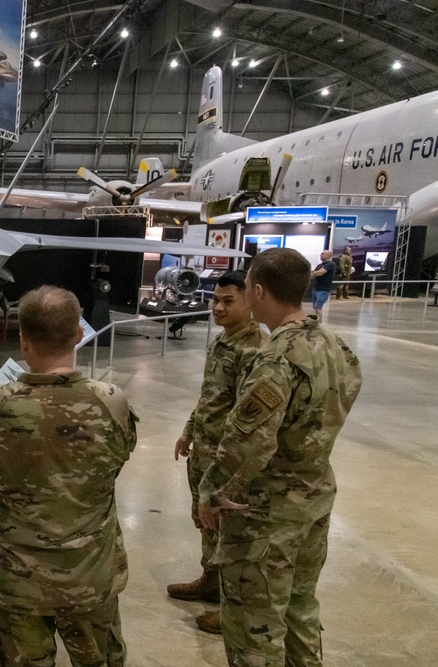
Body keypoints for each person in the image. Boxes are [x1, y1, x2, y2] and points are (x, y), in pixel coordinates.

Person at [0, 285, 138, 667]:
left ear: (22, 340)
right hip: (89, 576)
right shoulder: (112, 402)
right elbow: (121, 455)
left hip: (16, 582)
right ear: (78, 334)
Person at [198, 248, 361, 667]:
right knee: (300, 608)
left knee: (256, 624)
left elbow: (246, 442)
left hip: (268, 514)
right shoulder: (335, 345)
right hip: (315, 496)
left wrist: (212, 492)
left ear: (257, 290)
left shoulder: (275, 358)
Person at [168, 270, 267, 635]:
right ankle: (211, 581)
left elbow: (249, 417)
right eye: (216, 300)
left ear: (249, 303)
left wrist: (230, 464)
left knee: (230, 531)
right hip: (204, 451)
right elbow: (210, 395)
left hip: (226, 458)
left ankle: (232, 607)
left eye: (229, 301)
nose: (219, 307)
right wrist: (189, 431)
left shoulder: (254, 350)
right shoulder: (223, 342)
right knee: (206, 522)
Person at [310, 250, 336, 318]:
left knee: (318, 307)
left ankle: (319, 324)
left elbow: (319, 273)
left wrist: (317, 273)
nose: (321, 255)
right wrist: (316, 273)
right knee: (316, 308)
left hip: (323, 290)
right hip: (316, 288)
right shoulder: (319, 265)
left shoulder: (331, 264)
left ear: (328, 255)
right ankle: (317, 322)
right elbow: (314, 274)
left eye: (323, 254)